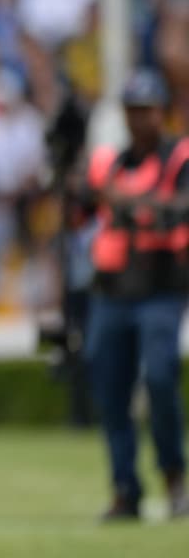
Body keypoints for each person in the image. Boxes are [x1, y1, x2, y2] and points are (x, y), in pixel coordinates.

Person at [84, 68, 189, 522]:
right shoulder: (113, 163)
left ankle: (174, 477)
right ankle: (125, 488)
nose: (137, 120)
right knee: (110, 387)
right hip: (113, 290)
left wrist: (126, 202)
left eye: (145, 111)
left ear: (161, 113)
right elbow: (84, 205)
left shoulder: (179, 158)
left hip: (162, 287)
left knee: (161, 378)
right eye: (131, 111)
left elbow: (179, 207)